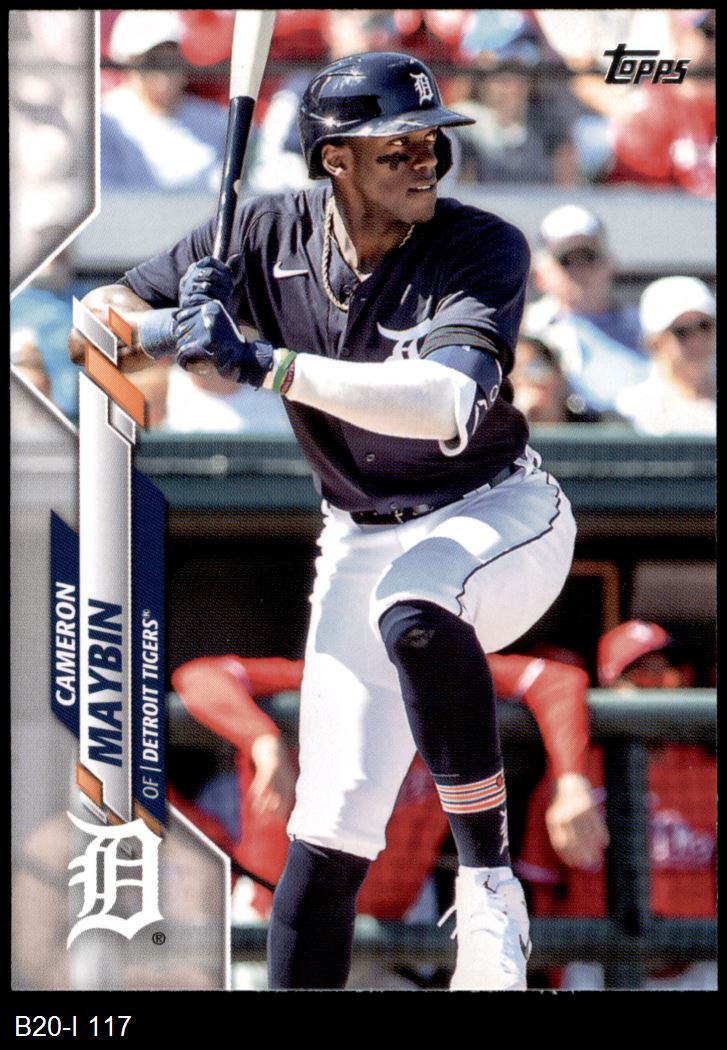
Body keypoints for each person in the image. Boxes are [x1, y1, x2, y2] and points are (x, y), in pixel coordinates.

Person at [69, 52, 577, 991]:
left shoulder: (480, 245)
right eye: (397, 147)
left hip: (499, 513)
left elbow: (443, 403)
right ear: (334, 158)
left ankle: (489, 888)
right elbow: (93, 321)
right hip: (357, 533)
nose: (425, 161)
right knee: (327, 828)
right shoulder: (264, 231)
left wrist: (261, 362)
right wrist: (168, 326)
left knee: (415, 607)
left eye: (431, 143)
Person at [518, 620, 717, 990]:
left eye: (668, 673)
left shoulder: (708, 775)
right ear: (611, 684)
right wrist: (558, 967)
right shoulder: (572, 774)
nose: (657, 685)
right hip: (596, 959)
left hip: (695, 963)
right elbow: (539, 884)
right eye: (641, 674)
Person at [522, 203, 650, 415]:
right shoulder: (522, 329)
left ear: (611, 263)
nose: (579, 270)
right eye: (566, 260)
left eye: (588, 256)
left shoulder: (650, 329)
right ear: (539, 273)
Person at [100, 10, 228, 192]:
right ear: (126, 63)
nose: (163, 67)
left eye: (171, 55)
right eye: (151, 58)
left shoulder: (219, 122)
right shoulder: (105, 121)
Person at [615, 276, 716, 436]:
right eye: (682, 331)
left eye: (705, 326)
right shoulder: (632, 408)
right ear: (655, 342)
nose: (697, 339)